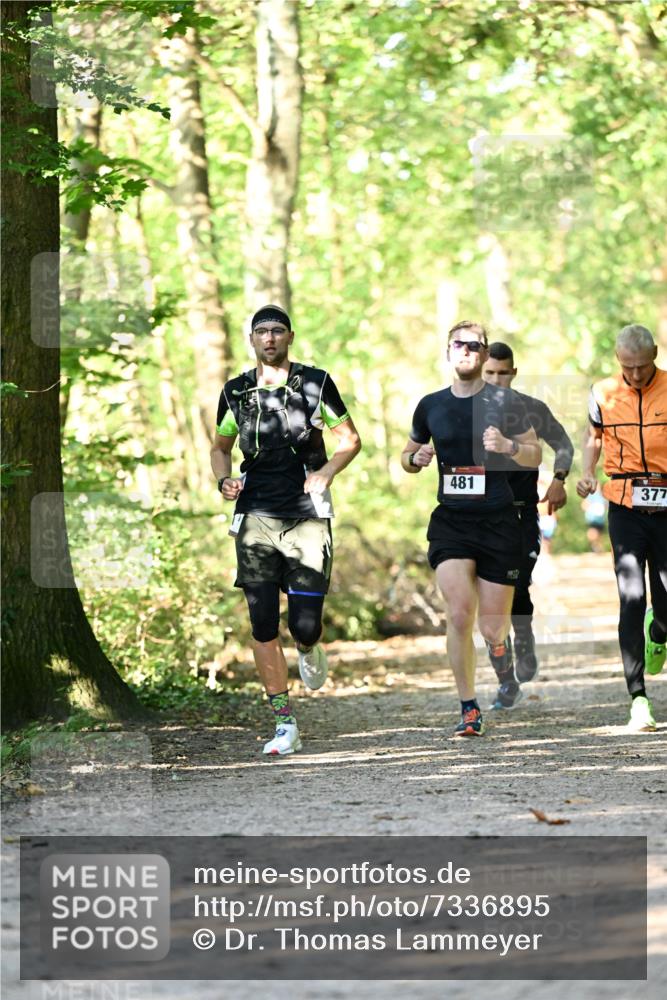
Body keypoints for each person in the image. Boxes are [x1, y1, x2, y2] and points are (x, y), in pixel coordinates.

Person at [211, 304, 361, 755]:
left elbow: (351, 440)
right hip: (255, 513)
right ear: (252, 340)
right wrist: (223, 479)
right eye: (262, 332)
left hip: (307, 513)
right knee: (261, 622)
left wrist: (327, 472)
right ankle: (283, 723)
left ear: (290, 337)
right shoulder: (236, 391)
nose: (270, 338)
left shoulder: (315, 384)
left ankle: (310, 647)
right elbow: (219, 447)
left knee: (305, 625)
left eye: (277, 331)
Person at [402, 321, 542, 737]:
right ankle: (468, 706)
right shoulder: (430, 405)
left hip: (499, 522)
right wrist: (417, 459)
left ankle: (499, 647)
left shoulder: (507, 403)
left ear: (483, 355)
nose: (465, 350)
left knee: (491, 627)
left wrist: (510, 447)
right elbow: (406, 456)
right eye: (458, 344)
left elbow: (535, 454)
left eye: (474, 345)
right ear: (448, 352)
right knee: (460, 612)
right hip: (452, 523)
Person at [577, 323, 667, 733]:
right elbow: (593, 436)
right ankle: (638, 699)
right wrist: (587, 472)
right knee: (631, 596)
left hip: (666, 505)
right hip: (625, 505)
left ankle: (659, 629)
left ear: (654, 357)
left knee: (663, 603)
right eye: (626, 367)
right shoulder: (602, 393)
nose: (634, 375)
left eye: (641, 367)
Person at [483, 343, 574, 683]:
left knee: (517, 587)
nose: (496, 380)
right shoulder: (463, 408)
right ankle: (503, 668)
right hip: (475, 518)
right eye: (489, 373)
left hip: (520, 514)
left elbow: (563, 444)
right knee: (487, 594)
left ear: (513, 373)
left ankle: (523, 637)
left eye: (502, 373)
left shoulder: (531, 409)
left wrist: (560, 480)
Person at [582, 487, 608, 553]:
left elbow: (606, 505)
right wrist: (591, 508)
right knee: (592, 533)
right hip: (592, 518)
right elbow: (584, 505)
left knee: (599, 534)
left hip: (600, 519)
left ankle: (598, 548)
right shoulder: (590, 496)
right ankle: (595, 547)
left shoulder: (603, 495)